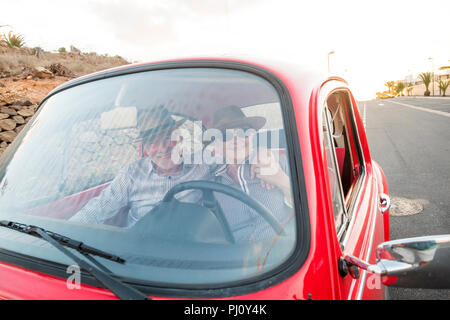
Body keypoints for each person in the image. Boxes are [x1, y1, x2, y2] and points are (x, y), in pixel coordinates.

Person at [69, 106, 211, 227]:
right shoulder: (132, 173)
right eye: (153, 142)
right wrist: (66, 233)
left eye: (168, 138)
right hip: (138, 250)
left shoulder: (201, 165)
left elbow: (230, 168)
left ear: (179, 137)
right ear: (146, 148)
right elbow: (100, 207)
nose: (162, 148)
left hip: (188, 249)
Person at [210, 106, 295, 242]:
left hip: (288, 254)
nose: (236, 139)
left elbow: (317, 205)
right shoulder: (211, 181)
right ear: (218, 143)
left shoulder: (276, 163)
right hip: (237, 259)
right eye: (226, 135)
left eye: (243, 132)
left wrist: (281, 180)